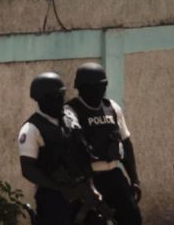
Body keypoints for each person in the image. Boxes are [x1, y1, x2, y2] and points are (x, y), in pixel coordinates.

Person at [18, 72, 106, 225]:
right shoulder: (31, 129)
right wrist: (60, 187)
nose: (61, 100)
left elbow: (84, 155)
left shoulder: (71, 119)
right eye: (56, 97)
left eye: (62, 95)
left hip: (81, 193)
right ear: (42, 100)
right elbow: (28, 169)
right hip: (53, 199)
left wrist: (91, 188)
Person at [66, 62, 142, 225]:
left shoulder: (112, 107)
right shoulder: (70, 111)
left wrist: (134, 179)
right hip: (89, 178)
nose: (99, 90)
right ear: (81, 88)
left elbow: (126, 143)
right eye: (93, 87)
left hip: (114, 175)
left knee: (133, 218)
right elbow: (73, 151)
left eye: (102, 86)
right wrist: (85, 184)